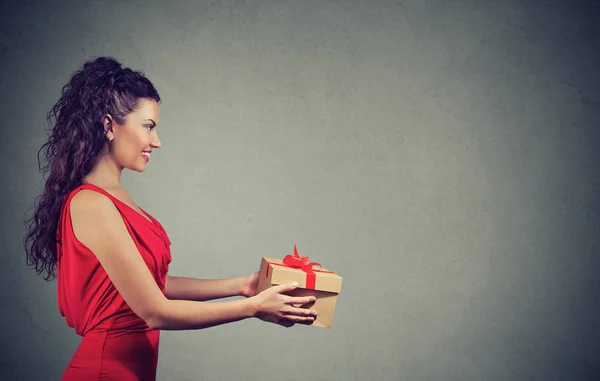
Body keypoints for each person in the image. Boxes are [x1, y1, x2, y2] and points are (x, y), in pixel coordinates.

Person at [23, 56, 317, 381]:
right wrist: (252, 308)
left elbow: (153, 286)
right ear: (109, 126)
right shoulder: (91, 203)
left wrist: (242, 286)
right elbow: (154, 311)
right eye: (148, 126)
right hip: (104, 372)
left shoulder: (114, 198)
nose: (157, 141)